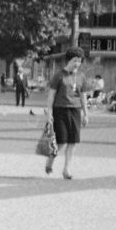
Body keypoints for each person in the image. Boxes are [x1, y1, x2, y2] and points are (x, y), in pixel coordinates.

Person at [43, 47, 89, 180]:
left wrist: (86, 114)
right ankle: (50, 160)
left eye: (79, 61)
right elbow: (51, 95)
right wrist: (49, 112)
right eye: (75, 60)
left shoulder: (81, 76)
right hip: (60, 109)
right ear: (69, 60)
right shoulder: (58, 75)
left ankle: (67, 169)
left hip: (75, 110)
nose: (77, 64)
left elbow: (83, 96)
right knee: (61, 141)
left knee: (73, 141)